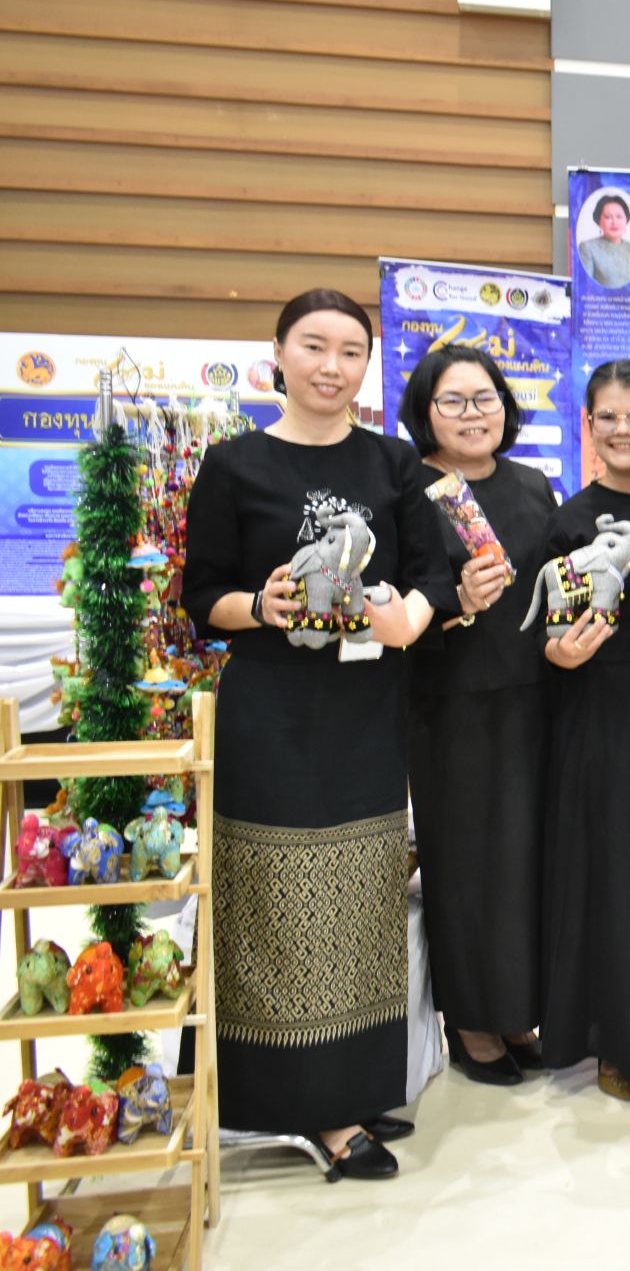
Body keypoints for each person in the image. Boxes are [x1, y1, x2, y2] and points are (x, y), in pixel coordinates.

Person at [182, 288, 454, 1180]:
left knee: (362, 899)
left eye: (350, 351)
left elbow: (435, 572)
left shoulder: (393, 461)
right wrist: (260, 604)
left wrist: (408, 617)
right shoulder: (233, 463)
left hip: (365, 712)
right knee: (271, 898)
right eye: (313, 345)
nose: (332, 366)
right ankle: (290, 1102)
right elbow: (201, 598)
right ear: (278, 353)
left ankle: (350, 1092)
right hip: (269, 713)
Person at [401, 343, 557, 1088]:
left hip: (534, 695)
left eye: (485, 397)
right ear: (425, 411)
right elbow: (390, 600)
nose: (473, 414)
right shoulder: (411, 488)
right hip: (449, 701)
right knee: (464, 862)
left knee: (526, 859)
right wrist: (455, 603)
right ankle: (470, 1020)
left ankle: (516, 1007)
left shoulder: (531, 485)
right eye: (454, 401)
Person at [539, 360, 630, 1101]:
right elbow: (543, 632)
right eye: (608, 417)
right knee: (615, 873)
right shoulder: (568, 519)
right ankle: (617, 1039)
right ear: (587, 425)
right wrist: (557, 654)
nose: (623, 430)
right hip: (600, 714)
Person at [577, 193, 630, 290]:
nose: (614, 222)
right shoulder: (588, 248)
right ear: (599, 221)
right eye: (608, 217)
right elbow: (586, 288)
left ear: (626, 220)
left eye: (619, 217)